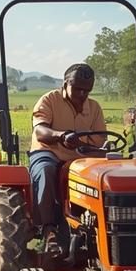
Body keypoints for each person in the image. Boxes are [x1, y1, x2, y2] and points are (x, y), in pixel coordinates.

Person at [29, 63, 107, 245]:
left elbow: (100, 139)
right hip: (49, 152)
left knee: (108, 175)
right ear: (65, 84)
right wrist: (61, 136)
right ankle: (48, 229)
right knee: (46, 170)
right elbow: (40, 131)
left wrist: (98, 147)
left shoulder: (94, 108)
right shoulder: (49, 100)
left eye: (86, 91)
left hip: (81, 158)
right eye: (78, 89)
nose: (82, 95)